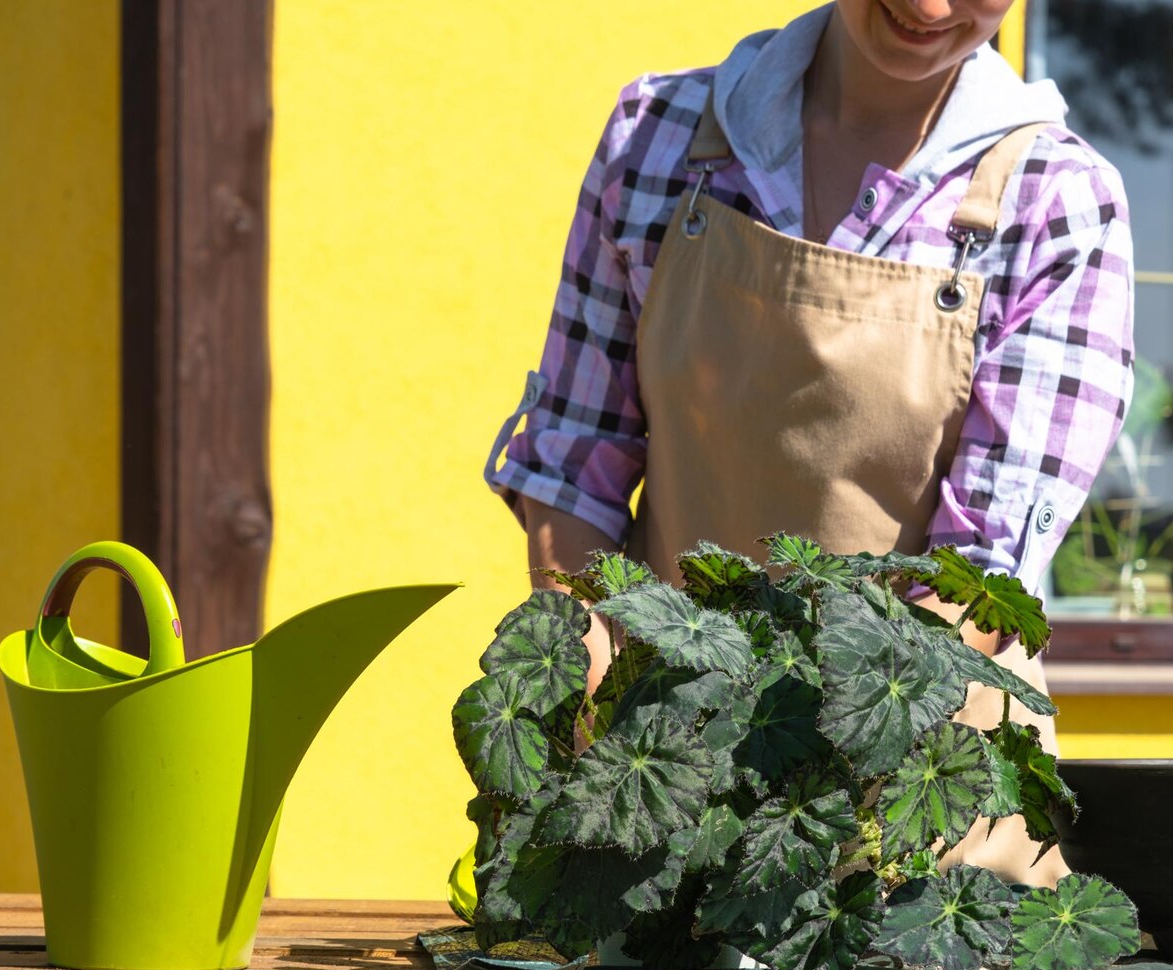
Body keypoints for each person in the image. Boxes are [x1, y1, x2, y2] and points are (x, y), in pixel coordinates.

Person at [485, 0, 1134, 885]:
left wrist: (806, 789)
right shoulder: (658, 138)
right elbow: (577, 459)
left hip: (918, 808)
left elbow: (980, 569)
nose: (933, 7)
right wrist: (598, 688)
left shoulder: (1055, 201)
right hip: (658, 771)